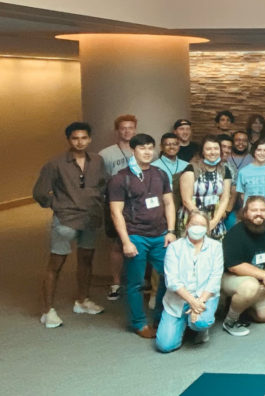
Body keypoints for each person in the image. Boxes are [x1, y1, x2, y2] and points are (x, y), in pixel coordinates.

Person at [34, 122, 108, 328]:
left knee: (86, 260)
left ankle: (82, 300)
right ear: (69, 140)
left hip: (91, 218)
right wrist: (57, 205)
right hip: (66, 220)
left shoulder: (98, 161)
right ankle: (47, 310)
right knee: (55, 265)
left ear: (90, 139)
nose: (80, 142)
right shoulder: (55, 163)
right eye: (75, 138)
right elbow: (40, 192)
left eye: (84, 138)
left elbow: (103, 184)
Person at [108, 133, 176, 338]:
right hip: (136, 236)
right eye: (142, 148)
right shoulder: (120, 178)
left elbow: (169, 203)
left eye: (150, 148)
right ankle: (139, 323)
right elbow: (115, 212)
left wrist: (171, 231)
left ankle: (160, 318)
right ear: (133, 150)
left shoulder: (160, 174)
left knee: (168, 277)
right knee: (136, 283)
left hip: (160, 235)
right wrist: (126, 241)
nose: (147, 152)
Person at [155, 212, 222, 352]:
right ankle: (184, 323)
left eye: (202, 225)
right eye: (194, 224)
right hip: (179, 299)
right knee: (164, 346)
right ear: (186, 226)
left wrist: (199, 302)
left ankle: (198, 328)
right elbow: (172, 281)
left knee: (201, 322)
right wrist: (192, 301)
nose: (197, 228)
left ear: (208, 229)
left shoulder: (215, 247)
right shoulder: (174, 247)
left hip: (204, 298)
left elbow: (215, 278)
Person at [220, 196, 265, 336]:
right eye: (254, 210)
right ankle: (230, 320)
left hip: (261, 278)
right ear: (245, 213)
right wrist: (264, 275)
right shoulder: (235, 233)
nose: (259, 213)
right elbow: (234, 266)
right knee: (250, 286)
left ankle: (240, 307)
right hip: (233, 277)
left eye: (263, 210)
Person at [99, 113, 137, 300]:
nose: (127, 131)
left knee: (139, 241)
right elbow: (101, 180)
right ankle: (116, 283)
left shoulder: (144, 150)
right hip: (115, 203)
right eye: (123, 128)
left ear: (135, 129)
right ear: (117, 131)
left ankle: (137, 281)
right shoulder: (105, 154)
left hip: (138, 204)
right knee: (117, 244)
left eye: (130, 127)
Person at [179, 135, 234, 241]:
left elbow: (225, 198)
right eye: (208, 149)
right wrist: (200, 220)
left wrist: (214, 221)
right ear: (202, 152)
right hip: (192, 217)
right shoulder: (191, 168)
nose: (212, 152)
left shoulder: (224, 170)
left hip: (215, 219)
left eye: (216, 148)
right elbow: (186, 200)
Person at [235, 139, 265, 225]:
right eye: (259, 150)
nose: (262, 153)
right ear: (254, 151)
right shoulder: (243, 172)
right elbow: (242, 195)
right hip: (250, 216)